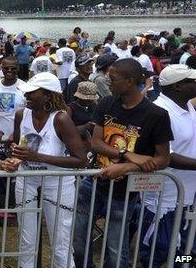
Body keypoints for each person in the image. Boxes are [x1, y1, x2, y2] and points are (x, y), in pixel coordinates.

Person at [73, 58, 172, 268]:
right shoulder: (106, 103)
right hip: (93, 183)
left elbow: (163, 158)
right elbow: (96, 143)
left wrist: (126, 167)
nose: (108, 82)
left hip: (124, 193)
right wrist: (126, 154)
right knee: (79, 240)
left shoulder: (157, 115)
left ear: (129, 81)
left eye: (113, 78)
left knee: (116, 247)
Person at [11, 72, 87, 268]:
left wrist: (37, 157)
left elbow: (80, 160)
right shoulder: (21, 114)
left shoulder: (61, 119)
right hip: (26, 180)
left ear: (47, 95)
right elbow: (18, 147)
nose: (26, 97)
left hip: (58, 183)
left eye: (31, 93)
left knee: (60, 242)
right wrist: (13, 160)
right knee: (26, 241)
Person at [138, 65, 196, 267]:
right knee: (156, 250)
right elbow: (166, 155)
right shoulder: (160, 111)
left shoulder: (187, 106)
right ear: (178, 86)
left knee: (185, 251)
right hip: (164, 201)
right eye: (192, 81)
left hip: (188, 197)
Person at [0, 57, 27, 158]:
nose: (9, 71)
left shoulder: (25, 88)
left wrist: (15, 134)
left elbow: (29, 114)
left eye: (13, 68)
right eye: (6, 68)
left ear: (18, 68)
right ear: (1, 68)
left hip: (17, 138)